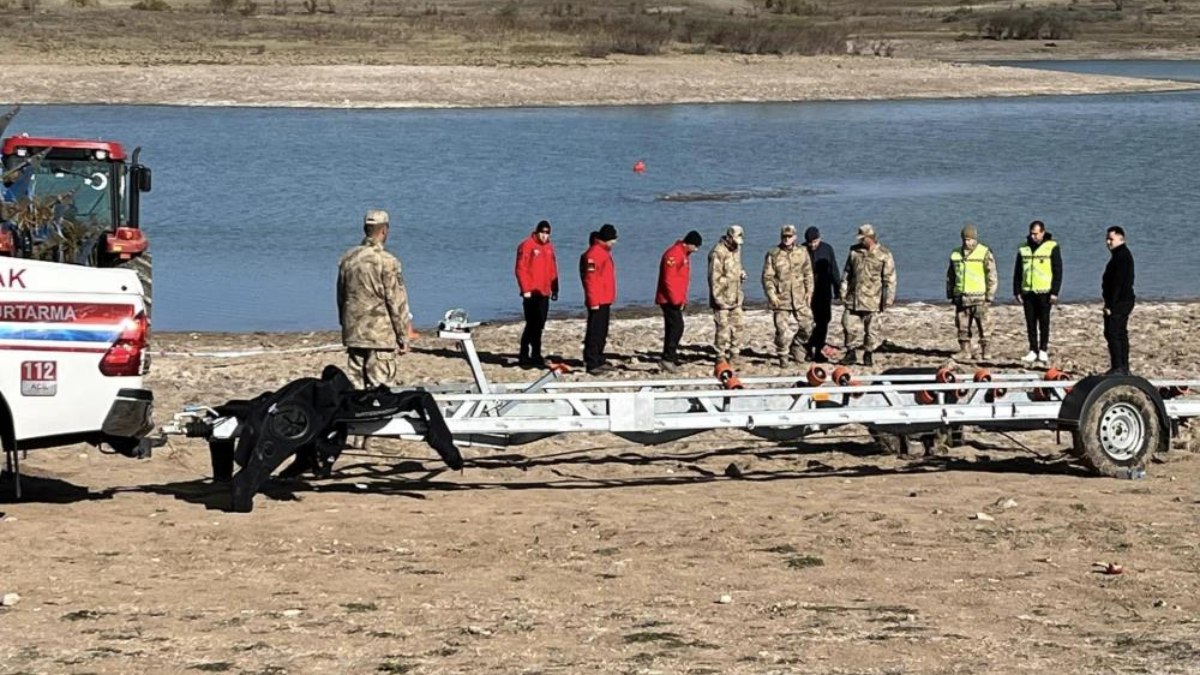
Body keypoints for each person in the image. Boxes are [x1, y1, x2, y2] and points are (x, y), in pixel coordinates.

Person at [336, 208, 410, 388]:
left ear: (365, 229)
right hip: (380, 336)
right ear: (384, 231)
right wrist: (403, 336)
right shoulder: (387, 261)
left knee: (356, 392)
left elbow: (341, 296)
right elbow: (396, 301)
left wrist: (345, 324)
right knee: (381, 391)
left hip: (354, 333)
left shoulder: (348, 258)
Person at [840, 224, 896, 366]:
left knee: (871, 331)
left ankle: (868, 354)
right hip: (854, 298)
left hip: (873, 300)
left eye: (862, 238)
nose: (860, 241)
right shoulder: (854, 252)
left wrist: (888, 299)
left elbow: (889, 279)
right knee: (848, 326)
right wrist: (843, 290)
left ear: (869, 238)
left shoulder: (884, 254)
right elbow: (847, 273)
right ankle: (850, 353)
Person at [762, 224, 814, 367]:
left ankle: (797, 345)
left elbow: (808, 273)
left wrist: (809, 291)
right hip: (781, 299)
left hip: (800, 298)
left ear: (795, 237)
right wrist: (771, 295)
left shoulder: (802, 252)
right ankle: (783, 354)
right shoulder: (773, 254)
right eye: (784, 236)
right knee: (782, 331)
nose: (786, 239)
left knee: (808, 326)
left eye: (789, 236)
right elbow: (767, 277)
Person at [1013, 219, 1063, 366]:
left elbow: (1057, 270)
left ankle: (1043, 349)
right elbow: (1018, 271)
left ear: (1042, 232)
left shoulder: (1052, 247)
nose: (1034, 236)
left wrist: (1055, 291)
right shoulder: (1023, 248)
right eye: (1031, 234)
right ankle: (1033, 349)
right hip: (1028, 291)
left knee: (1044, 322)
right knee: (1030, 322)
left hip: (1045, 291)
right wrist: (1017, 290)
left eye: (1036, 234)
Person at [946, 223, 998, 362]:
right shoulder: (955, 254)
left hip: (980, 297)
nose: (966, 242)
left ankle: (986, 352)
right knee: (962, 327)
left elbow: (991, 275)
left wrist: (990, 295)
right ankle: (965, 351)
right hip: (962, 297)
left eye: (969, 239)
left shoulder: (984, 252)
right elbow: (950, 276)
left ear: (975, 239)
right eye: (964, 239)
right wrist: (951, 293)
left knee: (984, 327)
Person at [655, 230, 703, 371]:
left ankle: (670, 356)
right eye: (695, 246)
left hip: (676, 297)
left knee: (674, 328)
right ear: (689, 244)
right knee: (676, 327)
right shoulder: (674, 254)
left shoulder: (683, 254)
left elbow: (681, 280)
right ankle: (667, 358)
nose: (696, 250)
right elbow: (668, 280)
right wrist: (676, 300)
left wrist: (682, 299)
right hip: (669, 299)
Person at [514, 219, 559, 368]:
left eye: (547, 233)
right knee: (531, 323)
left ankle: (536, 354)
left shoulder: (549, 248)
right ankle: (524, 354)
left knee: (540, 324)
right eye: (543, 232)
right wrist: (525, 289)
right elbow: (521, 269)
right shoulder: (527, 245)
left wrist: (555, 287)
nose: (545, 236)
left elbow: (553, 268)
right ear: (537, 231)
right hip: (531, 292)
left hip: (544, 291)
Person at [581, 224, 618, 374]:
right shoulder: (594, 254)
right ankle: (591, 361)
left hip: (605, 298)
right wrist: (593, 301)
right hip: (598, 300)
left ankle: (599, 357)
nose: (614, 242)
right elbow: (591, 279)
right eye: (613, 239)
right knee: (594, 331)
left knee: (602, 331)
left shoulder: (603, 252)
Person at [708, 225, 746, 365]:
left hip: (736, 296)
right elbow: (714, 278)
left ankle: (735, 353)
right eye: (735, 240)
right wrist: (719, 300)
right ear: (729, 237)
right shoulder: (717, 252)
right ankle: (720, 355)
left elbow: (737, 265)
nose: (737, 244)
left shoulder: (736, 249)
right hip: (722, 298)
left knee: (738, 326)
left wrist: (741, 273)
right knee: (722, 328)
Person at [804, 226, 840, 363]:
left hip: (824, 291)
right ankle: (807, 348)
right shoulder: (802, 250)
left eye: (814, 242)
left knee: (823, 322)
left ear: (819, 239)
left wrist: (837, 289)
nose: (812, 245)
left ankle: (818, 349)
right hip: (807, 293)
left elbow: (833, 269)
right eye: (809, 242)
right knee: (808, 322)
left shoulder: (827, 249)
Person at [1102, 226, 1135, 375]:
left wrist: (1111, 305)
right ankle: (1121, 366)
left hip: (1121, 302)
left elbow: (1118, 283)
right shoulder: (1118, 255)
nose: (1108, 242)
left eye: (1111, 239)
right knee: (1117, 333)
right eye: (1107, 239)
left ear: (1121, 239)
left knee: (1114, 332)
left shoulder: (1122, 256)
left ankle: (1119, 367)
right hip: (1121, 300)